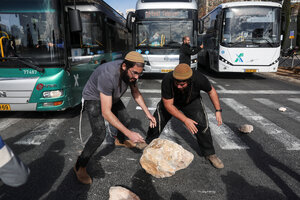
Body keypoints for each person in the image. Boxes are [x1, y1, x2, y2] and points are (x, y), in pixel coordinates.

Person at [74, 51, 157, 184]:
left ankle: (119, 140)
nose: (136, 77)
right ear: (124, 66)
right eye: (134, 73)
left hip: (111, 95)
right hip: (94, 98)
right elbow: (106, 112)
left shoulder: (130, 74)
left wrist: (148, 114)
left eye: (139, 74)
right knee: (99, 134)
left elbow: (136, 93)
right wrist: (130, 133)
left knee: (127, 120)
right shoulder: (108, 75)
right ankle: (80, 165)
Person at [145, 63, 224, 169]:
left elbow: (211, 91)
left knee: (202, 124)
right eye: (177, 83)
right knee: (157, 121)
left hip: (191, 101)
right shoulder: (168, 80)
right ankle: (147, 142)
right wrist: (185, 120)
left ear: (190, 80)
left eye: (182, 84)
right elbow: (168, 105)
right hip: (171, 102)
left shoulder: (199, 78)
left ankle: (210, 153)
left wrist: (218, 110)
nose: (178, 86)